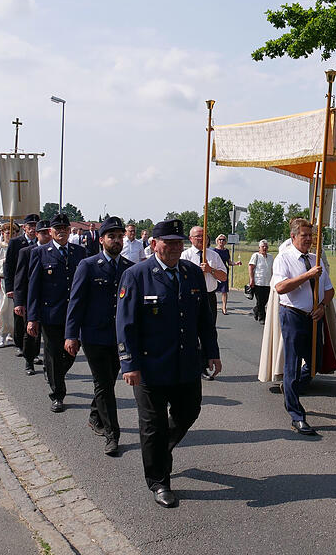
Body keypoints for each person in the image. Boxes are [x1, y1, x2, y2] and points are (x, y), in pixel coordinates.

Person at [116, 219, 221, 508]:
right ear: (154, 245)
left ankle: (161, 448)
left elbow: (204, 320)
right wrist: (129, 364)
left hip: (185, 363)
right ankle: (160, 481)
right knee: (153, 425)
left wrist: (212, 352)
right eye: (168, 243)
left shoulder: (191, 273)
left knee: (189, 411)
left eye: (179, 243)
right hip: (150, 367)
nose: (175, 248)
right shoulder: (137, 275)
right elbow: (125, 324)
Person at [65, 217, 134, 455]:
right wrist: (71, 335)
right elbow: (76, 302)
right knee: (103, 384)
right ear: (102, 239)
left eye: (119, 236)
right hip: (95, 336)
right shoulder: (88, 265)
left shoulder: (129, 267)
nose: (116, 241)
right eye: (111, 236)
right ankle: (112, 434)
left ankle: (96, 415)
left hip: (120, 338)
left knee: (108, 381)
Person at [272, 218, 334, 435]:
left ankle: (291, 388)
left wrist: (323, 306)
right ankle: (296, 415)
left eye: (311, 236)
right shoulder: (284, 259)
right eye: (304, 236)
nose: (308, 239)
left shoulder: (315, 260)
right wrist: (307, 275)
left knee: (315, 362)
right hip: (293, 316)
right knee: (292, 364)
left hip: (313, 316)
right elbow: (280, 287)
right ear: (293, 237)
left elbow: (329, 289)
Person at [27, 213, 87, 412]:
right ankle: (57, 394)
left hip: (75, 313)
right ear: (50, 232)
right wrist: (32, 318)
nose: (62, 232)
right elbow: (34, 288)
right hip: (51, 313)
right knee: (53, 353)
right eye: (57, 229)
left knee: (70, 352)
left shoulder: (80, 252)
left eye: (65, 228)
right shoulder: (40, 253)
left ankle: (53, 372)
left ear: (70, 231)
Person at [180, 226, 227, 376]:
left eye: (203, 236)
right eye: (197, 236)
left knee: (208, 330)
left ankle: (205, 364)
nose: (201, 239)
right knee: (190, 330)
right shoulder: (184, 255)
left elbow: (224, 277)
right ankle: (190, 363)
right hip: (190, 297)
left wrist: (211, 270)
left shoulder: (213, 256)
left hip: (208, 296)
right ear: (191, 238)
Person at [14, 220, 52, 375]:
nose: (46, 235)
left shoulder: (54, 251)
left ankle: (48, 364)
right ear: (36, 234)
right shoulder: (27, 252)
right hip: (32, 299)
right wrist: (19, 302)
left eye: (48, 232)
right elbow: (20, 278)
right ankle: (29, 361)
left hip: (50, 300)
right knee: (30, 333)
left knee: (49, 335)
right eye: (43, 232)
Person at [5, 214, 40, 360]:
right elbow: (9, 266)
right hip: (20, 286)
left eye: (35, 226)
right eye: (30, 226)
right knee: (20, 318)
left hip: (37, 286)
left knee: (35, 319)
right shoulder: (16, 242)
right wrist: (10, 288)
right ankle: (19, 344)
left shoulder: (42, 242)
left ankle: (33, 352)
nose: (32, 229)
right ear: (24, 228)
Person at [213, 234, 241, 315]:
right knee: (213, 289)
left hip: (224, 272)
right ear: (217, 241)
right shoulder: (214, 251)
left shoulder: (226, 251)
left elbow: (229, 262)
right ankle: (212, 306)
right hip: (215, 271)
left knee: (224, 291)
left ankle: (224, 308)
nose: (221, 241)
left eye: (223, 240)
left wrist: (236, 263)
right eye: (220, 239)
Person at [248, 239, 273, 324]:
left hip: (268, 282)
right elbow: (251, 267)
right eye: (263, 246)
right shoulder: (256, 256)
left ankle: (256, 309)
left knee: (265, 300)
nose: (265, 248)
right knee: (260, 300)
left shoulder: (270, 257)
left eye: (266, 246)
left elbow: (272, 269)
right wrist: (251, 279)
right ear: (259, 247)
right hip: (258, 282)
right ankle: (262, 317)